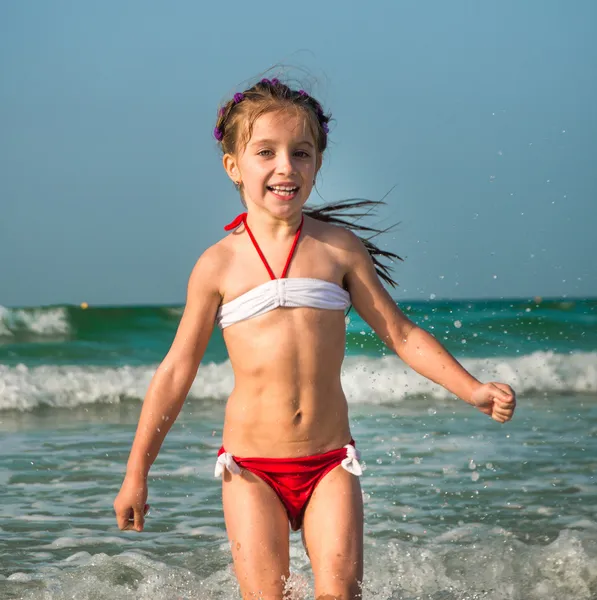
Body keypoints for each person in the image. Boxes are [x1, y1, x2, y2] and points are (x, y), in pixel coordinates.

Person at [113, 77, 516, 599]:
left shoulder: (339, 250)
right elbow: (176, 371)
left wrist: (473, 389)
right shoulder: (218, 265)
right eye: (266, 152)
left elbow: (401, 333)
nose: (285, 166)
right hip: (251, 468)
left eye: (301, 153)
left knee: (340, 592)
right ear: (233, 165)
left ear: (318, 164)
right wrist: (136, 472)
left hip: (330, 460)